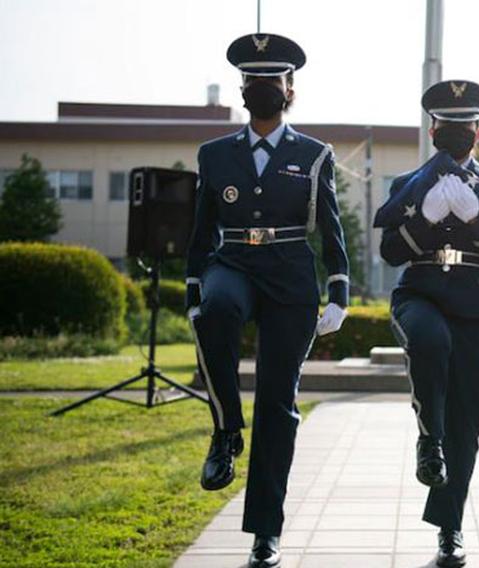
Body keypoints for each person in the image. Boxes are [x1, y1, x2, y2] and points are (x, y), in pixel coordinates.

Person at [184, 33, 350, 568]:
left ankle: (265, 533)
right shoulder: (214, 155)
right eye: (255, 82)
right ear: (243, 89)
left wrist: (339, 291)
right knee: (217, 310)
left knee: (278, 404)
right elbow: (201, 231)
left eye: (273, 81)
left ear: (290, 90)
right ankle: (226, 428)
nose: (264, 89)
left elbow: (331, 230)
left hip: (290, 277)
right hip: (232, 263)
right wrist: (193, 286)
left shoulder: (314, 155)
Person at [373, 80, 479, 568]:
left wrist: (476, 215)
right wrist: (426, 217)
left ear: (477, 132)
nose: (456, 132)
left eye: (465, 126)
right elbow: (391, 251)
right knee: (428, 338)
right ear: (433, 128)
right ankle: (428, 436)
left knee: (469, 420)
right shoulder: (409, 184)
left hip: (477, 300)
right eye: (447, 124)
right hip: (420, 292)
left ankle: (449, 529)